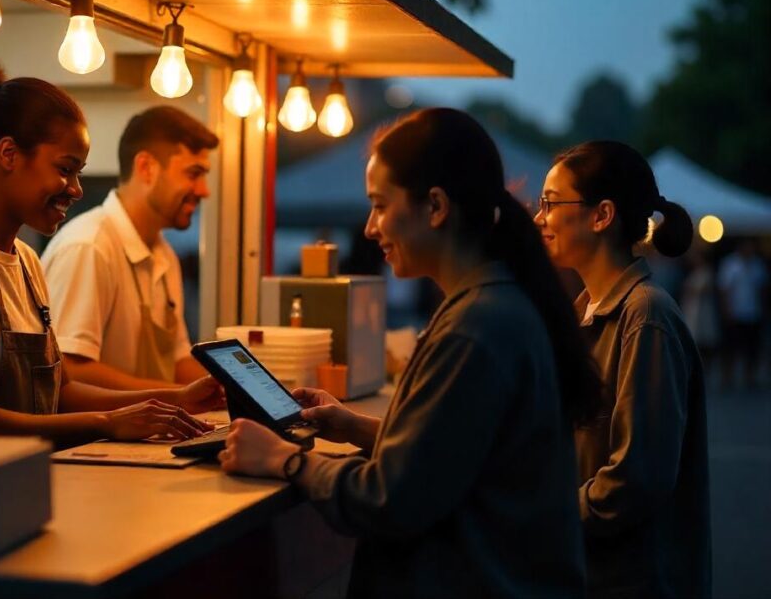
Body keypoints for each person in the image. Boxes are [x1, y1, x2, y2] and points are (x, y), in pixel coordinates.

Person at [220, 108, 600, 597]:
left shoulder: (477, 326)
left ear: (436, 207)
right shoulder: (490, 305)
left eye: (379, 205)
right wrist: (356, 426)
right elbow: (453, 453)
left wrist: (283, 460)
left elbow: (390, 499)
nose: (369, 228)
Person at [0, 57, 222, 447]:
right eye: (66, 169)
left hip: (24, 481)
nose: (76, 188)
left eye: (79, 172)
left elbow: (60, 393)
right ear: (9, 154)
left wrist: (175, 399)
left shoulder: (26, 261)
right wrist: (106, 422)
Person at [535, 140, 711, 598]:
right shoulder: (586, 312)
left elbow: (637, 481)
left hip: (632, 581)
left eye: (550, 204)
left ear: (602, 215)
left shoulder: (646, 317)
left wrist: (543, 514)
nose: (540, 219)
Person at [42, 106, 218, 389]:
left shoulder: (164, 255)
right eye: (193, 174)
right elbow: (70, 370)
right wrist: (179, 397)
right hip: (92, 435)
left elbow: (178, 362)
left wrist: (235, 391)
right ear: (146, 167)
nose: (203, 190)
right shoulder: (89, 246)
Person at [717, 238, 768, 387]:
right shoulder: (730, 264)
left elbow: (762, 289)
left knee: (752, 348)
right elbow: (724, 289)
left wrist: (763, 310)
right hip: (735, 312)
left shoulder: (757, 264)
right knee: (730, 348)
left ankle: (749, 378)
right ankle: (728, 378)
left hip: (753, 312)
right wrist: (726, 310)